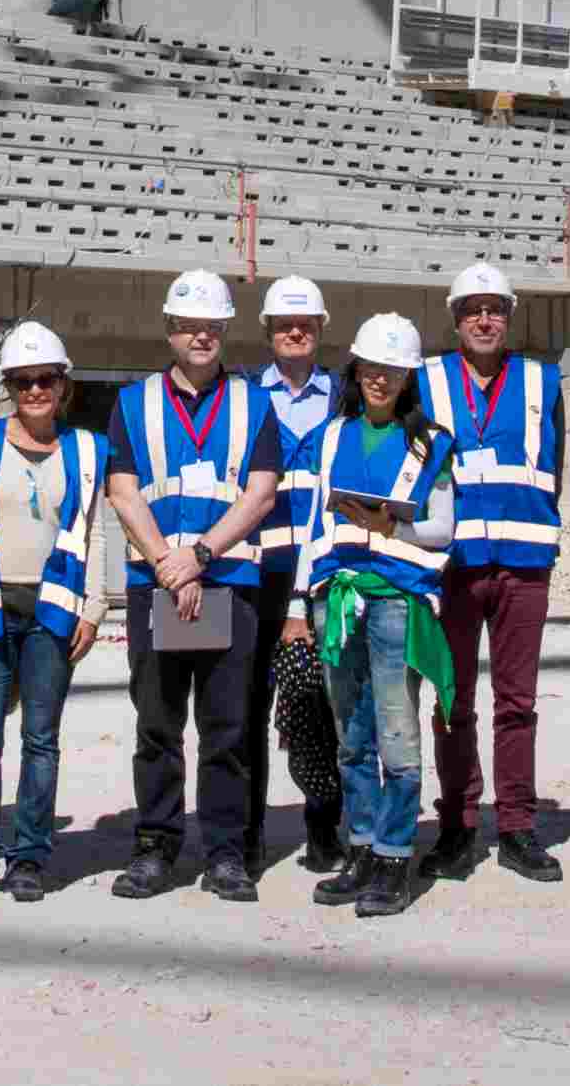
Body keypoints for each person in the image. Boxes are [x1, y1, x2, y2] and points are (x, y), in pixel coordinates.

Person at [102, 269, 291, 902]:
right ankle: (156, 846)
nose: (200, 336)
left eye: (211, 326)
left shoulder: (253, 403)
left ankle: (226, 853)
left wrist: (201, 555)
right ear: (169, 331)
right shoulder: (134, 403)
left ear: (224, 331)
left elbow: (261, 493)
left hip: (228, 580)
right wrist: (167, 562)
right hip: (158, 583)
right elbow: (123, 492)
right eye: (189, 326)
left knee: (227, 727)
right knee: (157, 725)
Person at [0, 321, 115, 903]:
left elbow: (92, 533)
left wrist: (92, 610)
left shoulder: (88, 449)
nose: (35, 391)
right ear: (8, 387)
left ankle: (29, 856)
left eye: (46, 380)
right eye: (23, 381)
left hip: (54, 610)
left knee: (41, 738)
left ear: (63, 386)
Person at [297, 312, 457, 921]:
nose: (380, 379)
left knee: (396, 732)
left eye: (393, 370)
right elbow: (316, 520)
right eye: (371, 367)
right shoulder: (333, 435)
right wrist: (300, 601)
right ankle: (360, 846)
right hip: (337, 597)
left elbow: (443, 530)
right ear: (356, 369)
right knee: (351, 734)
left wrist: (391, 523)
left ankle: (394, 856)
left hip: (397, 601)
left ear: (408, 377)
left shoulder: (430, 442)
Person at [420, 259, 562, 884]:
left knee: (518, 702)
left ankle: (516, 826)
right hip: (451, 565)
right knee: (453, 700)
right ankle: (455, 824)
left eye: (495, 309)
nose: (484, 318)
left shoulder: (542, 380)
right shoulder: (424, 382)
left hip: (523, 561)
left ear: (508, 316)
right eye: (472, 309)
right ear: (455, 319)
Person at [249, 273, 344, 877]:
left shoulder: (344, 397)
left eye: (305, 323)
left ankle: (324, 824)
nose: (294, 330)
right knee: (245, 708)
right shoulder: (241, 398)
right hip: (255, 574)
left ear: (319, 331)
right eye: (285, 323)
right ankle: (249, 828)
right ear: (267, 331)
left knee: (319, 708)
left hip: (326, 575)